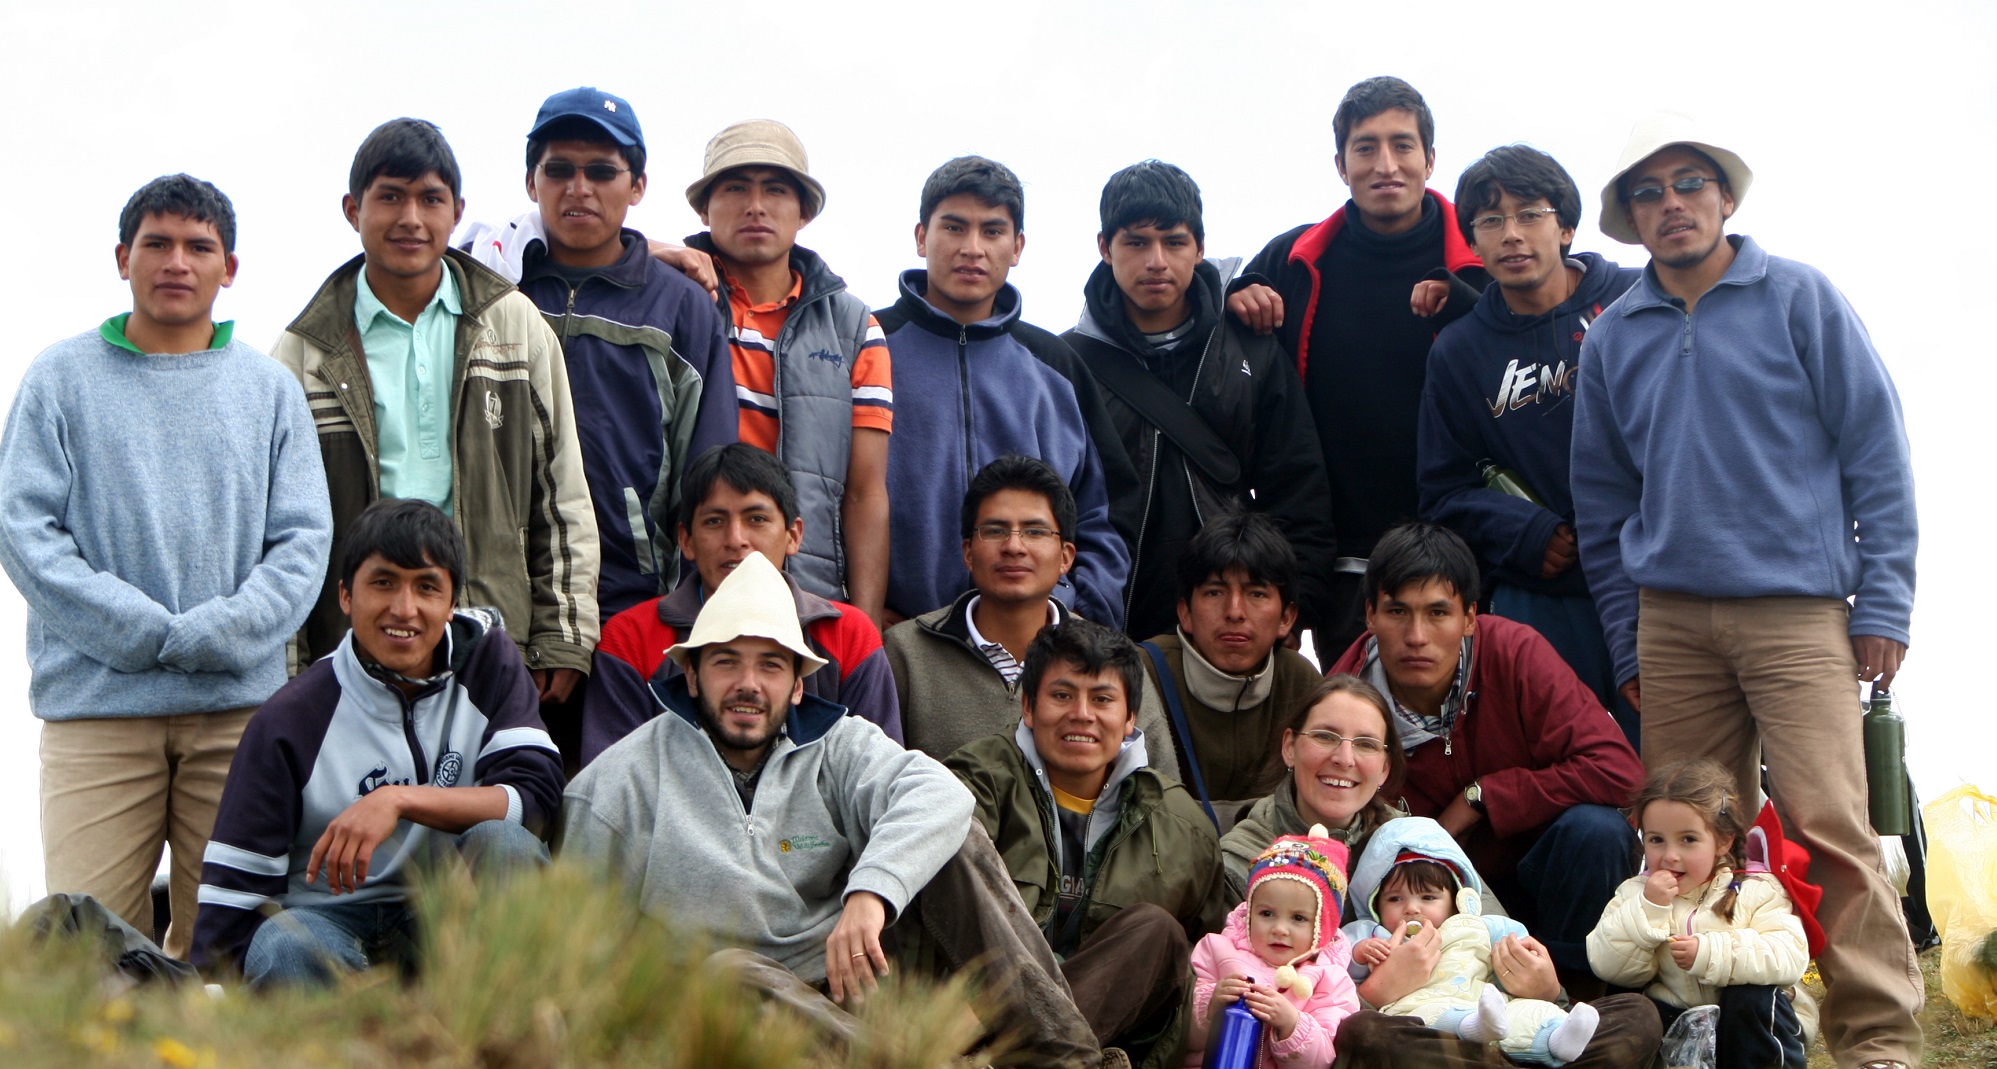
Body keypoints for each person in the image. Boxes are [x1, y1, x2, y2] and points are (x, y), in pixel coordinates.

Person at [1570, 113, 1921, 1069]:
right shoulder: (1611, 339)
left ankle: (1876, 1035)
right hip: (1671, 619)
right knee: (1684, 841)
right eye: (1648, 192)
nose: (1671, 204)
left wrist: (1883, 601)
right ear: (1631, 220)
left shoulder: (1800, 298)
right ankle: (1715, 1031)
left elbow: (1876, 454)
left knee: (1830, 827)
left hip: (1796, 609)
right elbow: (1600, 507)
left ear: (1725, 198)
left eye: (1690, 184)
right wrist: (1628, 638)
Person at [559, 552, 1099, 1067]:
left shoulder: (838, 743)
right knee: (731, 975)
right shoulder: (618, 783)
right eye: (727, 662)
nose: (749, 684)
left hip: (851, 993)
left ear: (797, 686)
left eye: (770, 665)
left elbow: (942, 795)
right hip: (721, 1021)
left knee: (955, 840)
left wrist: (871, 893)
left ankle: (1070, 1061)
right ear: (693, 675)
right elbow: (580, 953)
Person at [0, 174, 332, 958]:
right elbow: (25, 530)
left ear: (230, 267)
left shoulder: (269, 390)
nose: (176, 261)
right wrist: (150, 633)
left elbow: (302, 541)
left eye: (198, 246)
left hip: (237, 714)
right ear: (123, 257)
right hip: (96, 711)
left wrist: (218, 634)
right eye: (157, 243)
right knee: (84, 952)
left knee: (228, 952)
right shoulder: (60, 377)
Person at [273, 117, 599, 706]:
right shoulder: (304, 353)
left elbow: (561, 492)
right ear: (353, 209)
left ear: (457, 210)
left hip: (494, 638)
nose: (411, 219)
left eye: (430, 199)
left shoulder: (513, 325)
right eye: (390, 197)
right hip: (353, 651)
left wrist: (564, 637)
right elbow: (282, 530)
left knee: (498, 797)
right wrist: (293, 667)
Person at [190, 499, 561, 987]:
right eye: (383, 582)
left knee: (506, 844)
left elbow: (535, 801)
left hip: (443, 916)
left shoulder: (489, 663)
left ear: (451, 604)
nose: (404, 609)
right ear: (345, 596)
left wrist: (399, 799)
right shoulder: (289, 719)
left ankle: (514, 1043)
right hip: (329, 925)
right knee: (282, 942)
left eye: (427, 587)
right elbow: (234, 906)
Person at [1219, 679, 1662, 1069]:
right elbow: (1240, 1010)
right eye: (1325, 736)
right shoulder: (1245, 858)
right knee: (1368, 1034)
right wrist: (1375, 991)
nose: (1344, 758)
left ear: (1386, 768)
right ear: (1290, 747)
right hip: (1367, 1042)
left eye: (1367, 744)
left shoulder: (1416, 841)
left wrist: (1545, 990)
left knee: (1637, 1015)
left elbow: (1489, 929)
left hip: (1489, 1024)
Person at [1227, 76, 1489, 661]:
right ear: (1342, 165)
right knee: (1353, 736)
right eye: (1365, 148)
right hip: (1335, 558)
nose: (1385, 164)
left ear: (1430, 159)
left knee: (1460, 740)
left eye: (1403, 145)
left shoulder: (1480, 262)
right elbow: (1208, 323)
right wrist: (1235, 292)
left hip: (1462, 554)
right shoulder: (1293, 259)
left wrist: (1467, 304)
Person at [454, 87, 736, 622]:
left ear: (638, 186)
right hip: (496, 604)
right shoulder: (490, 292)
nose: (578, 188)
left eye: (602, 172)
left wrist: (685, 613)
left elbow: (708, 472)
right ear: (531, 183)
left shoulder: (681, 307)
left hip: (635, 611)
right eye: (559, 170)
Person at [1328, 523, 1642, 996]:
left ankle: (1577, 998)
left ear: (1470, 617)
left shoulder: (1515, 653)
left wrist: (1487, 796)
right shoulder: (1343, 700)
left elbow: (1620, 771)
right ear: (1369, 614)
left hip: (1532, 874)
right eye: (1398, 612)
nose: (1417, 636)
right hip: (1415, 912)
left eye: (1438, 612)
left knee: (1595, 833)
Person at [1413, 146, 1640, 747]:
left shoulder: (1638, 299)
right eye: (1491, 222)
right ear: (1474, 245)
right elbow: (1442, 492)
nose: (1512, 235)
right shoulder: (1459, 352)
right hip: (1543, 588)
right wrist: (1529, 533)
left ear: (1565, 226)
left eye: (1530, 215)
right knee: (1546, 757)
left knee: (1681, 773)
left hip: (1655, 577)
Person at [1063, 160, 1335, 641]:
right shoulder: (1066, 363)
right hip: (1103, 621)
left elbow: (1298, 488)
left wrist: (1298, 613)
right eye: (1136, 242)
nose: (1156, 261)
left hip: (1231, 622)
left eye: (1174, 241)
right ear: (1105, 247)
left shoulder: (1252, 348)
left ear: (1200, 248)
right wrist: (1068, 609)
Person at [946, 617, 1228, 1062]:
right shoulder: (974, 783)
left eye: (1102, 699)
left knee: (1155, 930)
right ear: (1028, 706)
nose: (1082, 714)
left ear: (1131, 716)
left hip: (1109, 1042)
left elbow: (1216, 950)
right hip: (979, 1020)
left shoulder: (1182, 823)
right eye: (1062, 695)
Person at [876, 155, 1134, 627]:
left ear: (1016, 247)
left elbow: (1105, 511)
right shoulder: (866, 345)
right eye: (953, 228)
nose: (972, 248)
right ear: (920, 237)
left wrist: (1077, 613)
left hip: (1042, 644)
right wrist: (863, 612)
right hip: (894, 642)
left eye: (992, 232)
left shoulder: (1055, 366)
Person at [682, 119, 890, 624]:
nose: (756, 205)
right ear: (704, 208)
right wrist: (645, 253)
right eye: (735, 188)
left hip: (807, 599)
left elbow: (865, 492)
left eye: (775, 189)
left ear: (805, 212)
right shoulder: (671, 299)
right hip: (687, 587)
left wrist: (861, 625)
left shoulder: (854, 327)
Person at [581, 443, 898, 764]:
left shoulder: (848, 634)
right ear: (686, 540)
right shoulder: (630, 637)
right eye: (714, 521)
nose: (736, 539)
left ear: (794, 536)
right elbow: (608, 788)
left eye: (757, 519)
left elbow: (880, 779)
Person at [886, 455, 1174, 772]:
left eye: (1035, 532)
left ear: (1066, 557)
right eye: (995, 531)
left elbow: (1162, 799)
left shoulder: (1116, 660)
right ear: (968, 553)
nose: (1014, 546)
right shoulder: (904, 653)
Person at [1588, 760, 1812, 1069]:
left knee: (1752, 999)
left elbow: (1789, 956)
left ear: (1722, 841)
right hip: (1681, 1022)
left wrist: (1709, 952)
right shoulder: (1635, 893)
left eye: (1688, 839)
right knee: (1637, 1009)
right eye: (1656, 840)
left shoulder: (1757, 888)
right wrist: (1649, 910)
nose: (1670, 855)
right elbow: (1608, 964)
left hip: (1753, 1029)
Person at [1342, 818, 1600, 1066]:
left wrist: (1528, 963)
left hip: (1486, 1004)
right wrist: (1361, 953)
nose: (1411, 908)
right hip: (1422, 1015)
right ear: (1375, 904)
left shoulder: (1469, 926)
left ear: (1455, 901)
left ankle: (1557, 1038)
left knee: (1526, 1013)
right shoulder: (1375, 934)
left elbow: (1509, 936)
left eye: (1428, 898)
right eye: (1395, 899)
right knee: (1393, 1029)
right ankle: (1486, 1035)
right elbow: (1343, 958)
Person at [1142, 510, 1325, 819]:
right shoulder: (1142, 674)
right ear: (1185, 612)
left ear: (1286, 618)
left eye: (1256, 593)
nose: (1235, 612)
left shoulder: (1301, 683)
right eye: (1215, 592)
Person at [1185, 829, 1360, 1068]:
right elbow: (1179, 1037)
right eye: (1267, 914)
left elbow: (1323, 1061)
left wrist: (1291, 1024)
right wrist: (1210, 1007)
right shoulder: (1217, 950)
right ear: (1249, 913)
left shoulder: (1332, 981)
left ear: (1324, 926)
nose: (1279, 929)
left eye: (1298, 918)